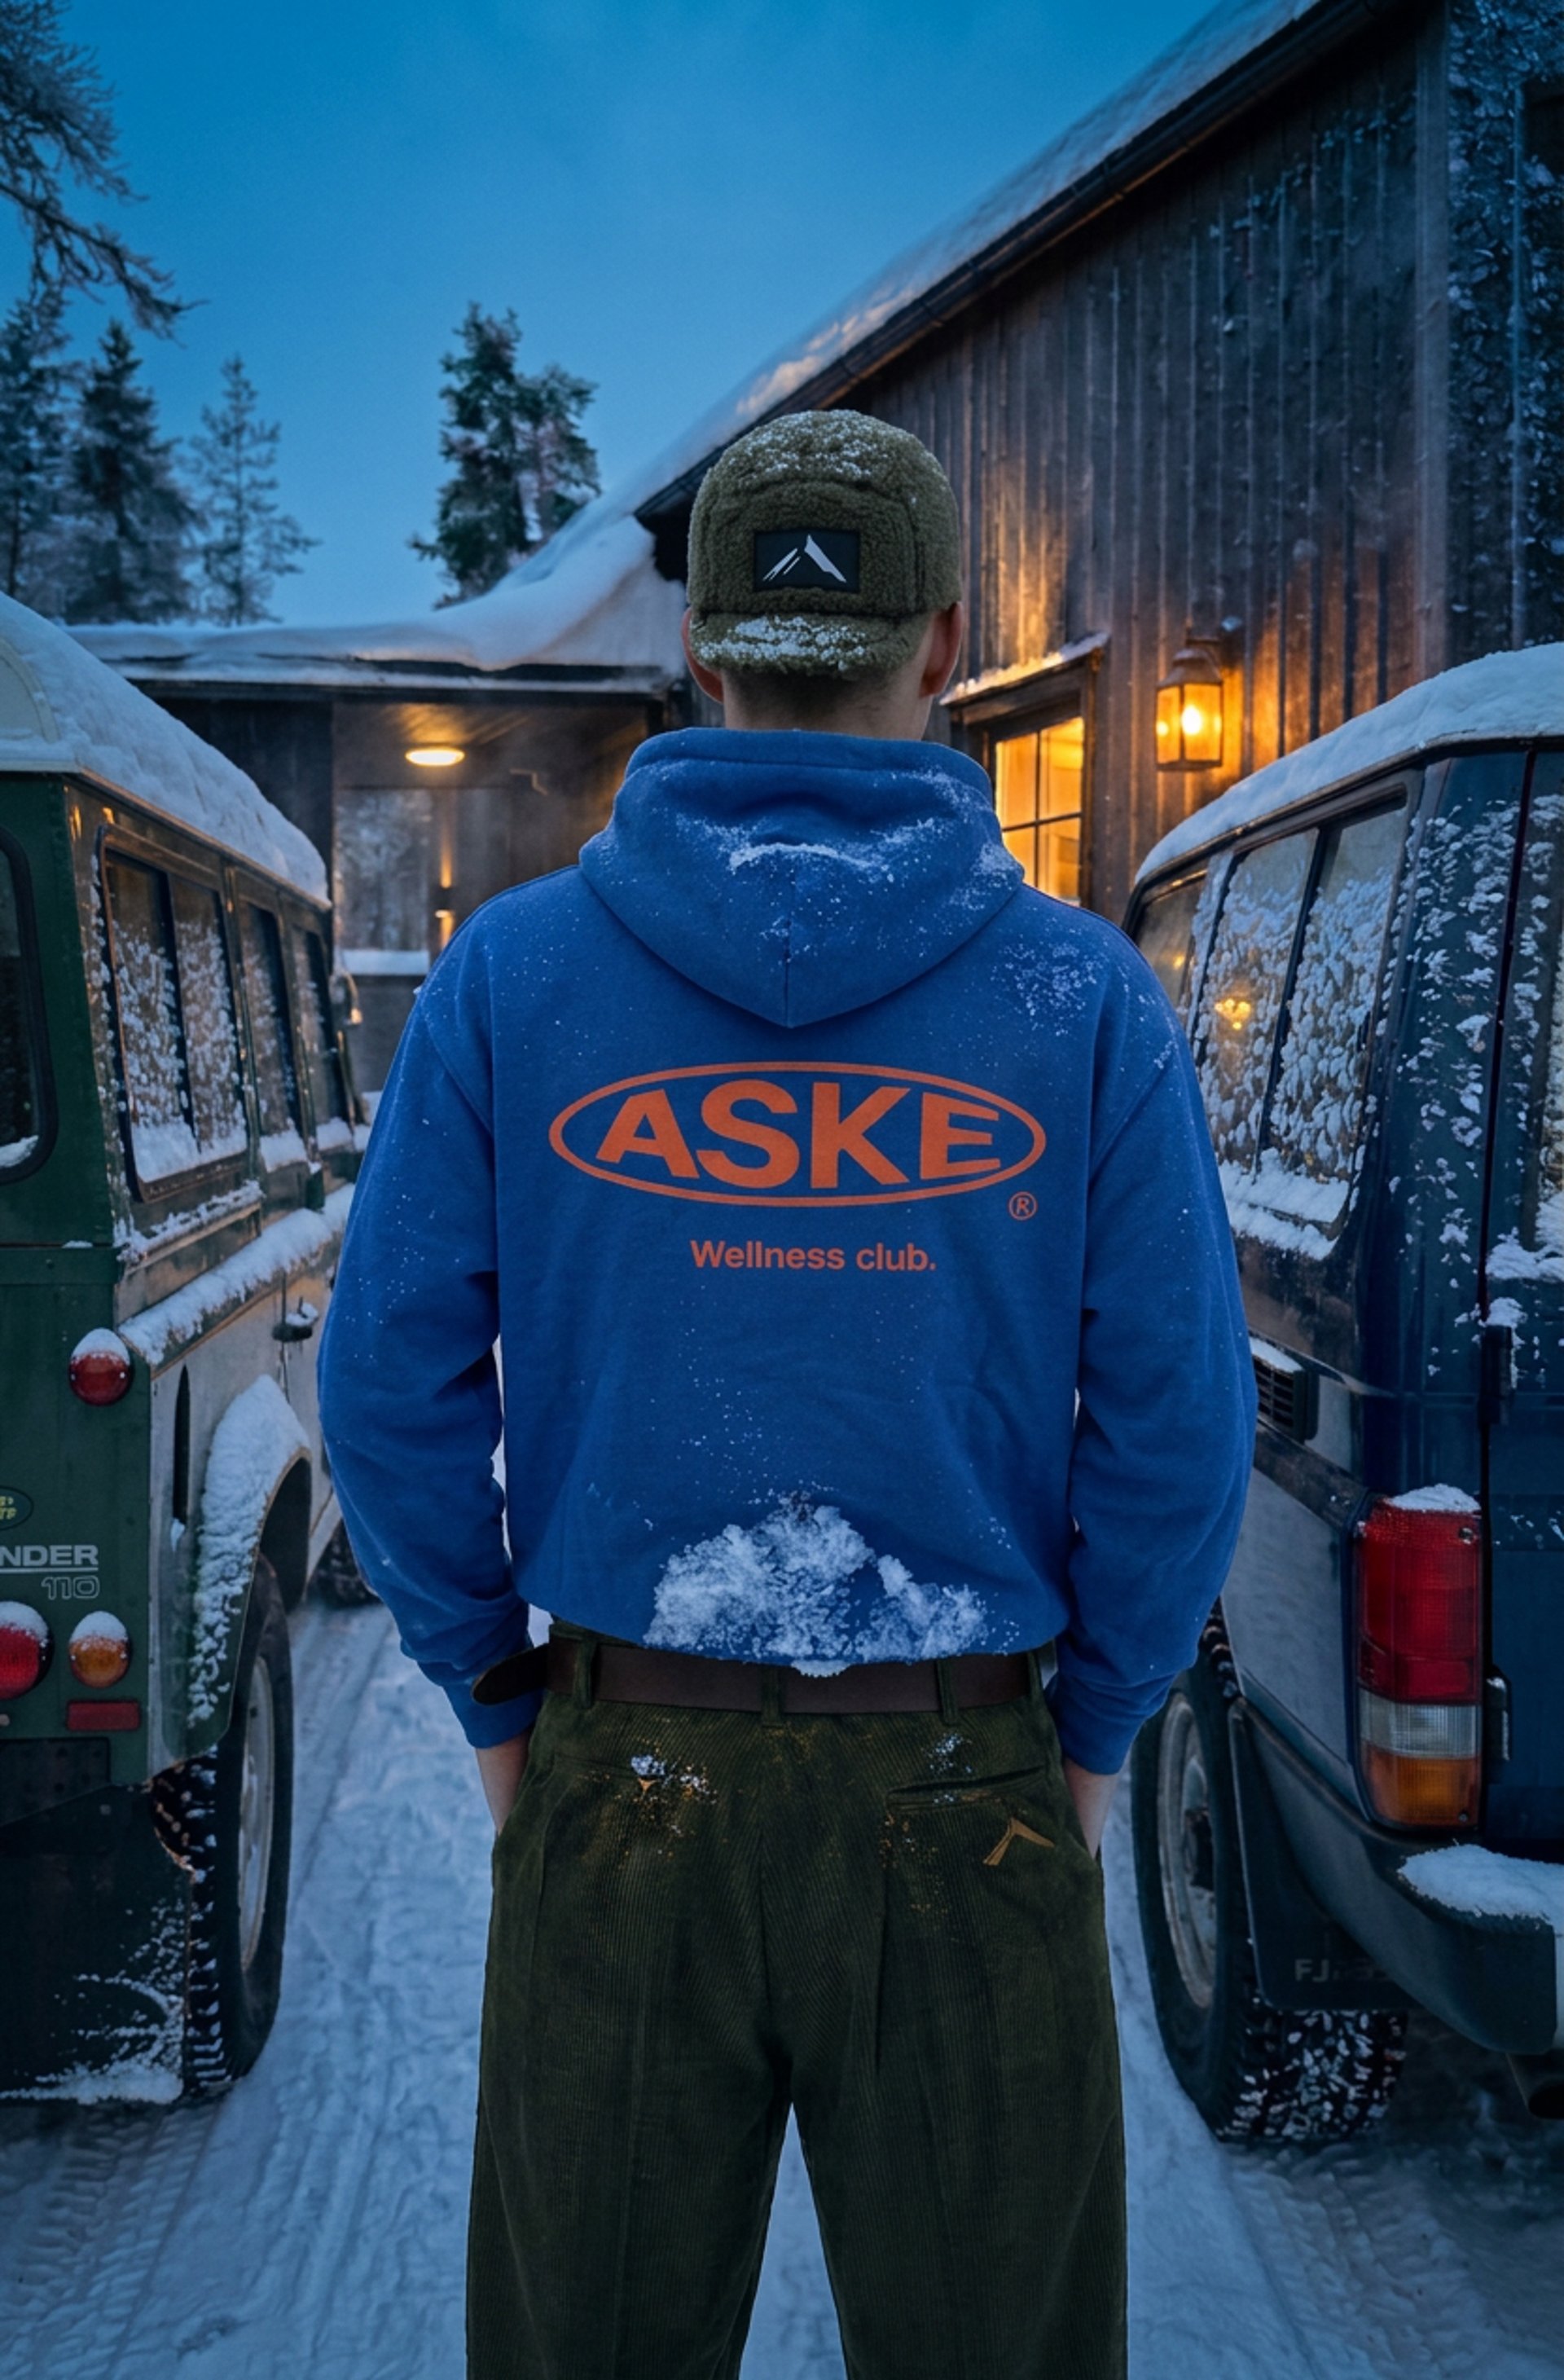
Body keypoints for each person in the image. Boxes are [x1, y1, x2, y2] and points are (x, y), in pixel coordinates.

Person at [319, 409, 1255, 2380]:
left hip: (622, 1772)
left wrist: (503, 1700)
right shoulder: (1079, 1005)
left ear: (705, 656)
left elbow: (390, 1376)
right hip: (966, 1777)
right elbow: (1174, 1429)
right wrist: (1089, 1741)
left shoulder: (514, 980)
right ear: (935, 649)